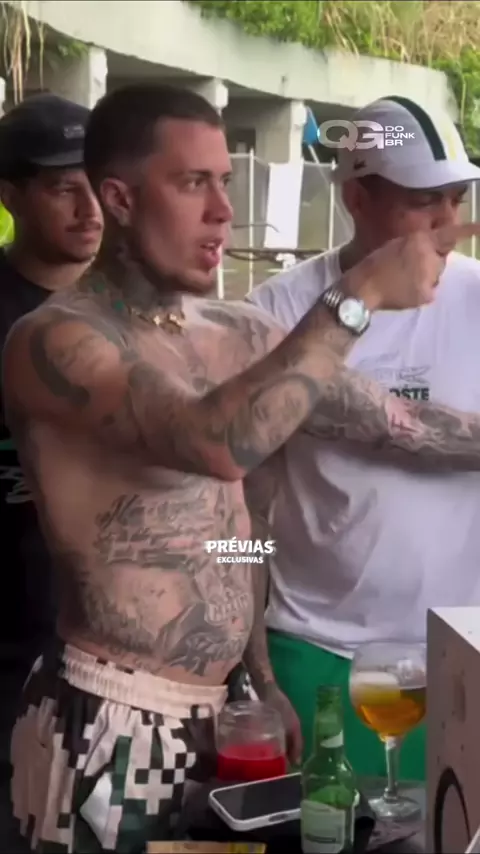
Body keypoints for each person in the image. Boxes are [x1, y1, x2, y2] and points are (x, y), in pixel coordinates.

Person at [2, 83, 478, 852]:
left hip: (223, 714)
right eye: (194, 183)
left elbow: (401, 427)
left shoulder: (235, 329)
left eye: (225, 181)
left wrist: (255, 673)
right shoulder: (54, 341)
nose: (223, 210)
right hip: (110, 717)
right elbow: (216, 443)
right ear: (119, 198)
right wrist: (356, 296)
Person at [246, 95, 480, 782]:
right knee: (323, 826)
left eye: (456, 198)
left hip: (462, 653)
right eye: (423, 202)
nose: (446, 223)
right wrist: (256, 672)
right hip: (315, 650)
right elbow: (244, 514)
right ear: (356, 197)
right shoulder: (277, 310)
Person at [0, 93, 102, 761]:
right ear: (10, 195)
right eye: (64, 189)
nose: (90, 209)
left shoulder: (145, 305)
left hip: (120, 656)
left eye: (97, 185)